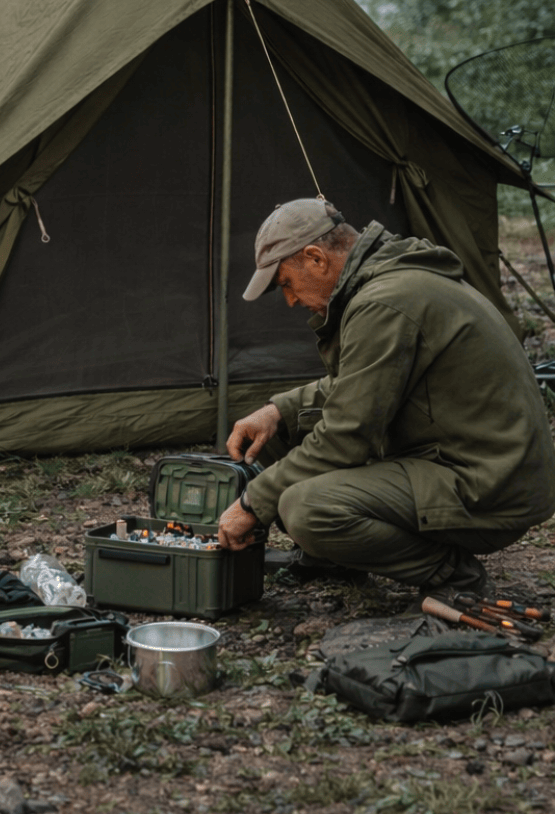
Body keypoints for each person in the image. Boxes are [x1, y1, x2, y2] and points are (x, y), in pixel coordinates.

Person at [216, 197, 555, 596]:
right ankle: (334, 556)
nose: (290, 300)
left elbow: (347, 437)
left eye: (287, 283)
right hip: (465, 458)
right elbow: (365, 384)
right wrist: (279, 411)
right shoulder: (392, 281)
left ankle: (452, 574)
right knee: (281, 432)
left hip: (489, 483)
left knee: (306, 508)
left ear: (316, 258)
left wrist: (252, 504)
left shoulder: (385, 301)